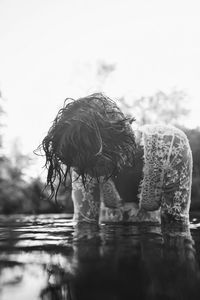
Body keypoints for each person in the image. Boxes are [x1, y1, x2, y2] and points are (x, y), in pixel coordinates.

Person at [40, 93, 193, 225]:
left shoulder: (172, 144)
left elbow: (175, 227)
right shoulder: (82, 159)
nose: (81, 172)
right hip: (109, 253)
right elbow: (85, 226)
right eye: (77, 167)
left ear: (115, 144)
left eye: (87, 166)